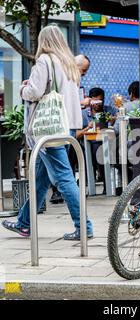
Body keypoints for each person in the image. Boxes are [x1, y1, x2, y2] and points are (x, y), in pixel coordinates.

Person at [1, 24, 93, 240]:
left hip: (49, 128)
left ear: (44, 41)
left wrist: (24, 88)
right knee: (42, 178)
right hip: (66, 125)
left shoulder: (45, 61)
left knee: (63, 177)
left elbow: (34, 92)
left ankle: (84, 227)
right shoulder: (70, 64)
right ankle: (24, 223)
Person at [49, 53, 91, 204]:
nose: (84, 74)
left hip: (67, 126)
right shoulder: (68, 76)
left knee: (63, 165)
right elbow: (67, 103)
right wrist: (83, 102)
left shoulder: (71, 77)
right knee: (64, 167)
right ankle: (71, 197)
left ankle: (28, 214)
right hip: (64, 126)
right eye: (83, 70)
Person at [76, 87, 118, 194]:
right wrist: (88, 127)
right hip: (89, 144)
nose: (98, 104)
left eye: (100, 101)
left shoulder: (109, 110)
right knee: (97, 150)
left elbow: (119, 119)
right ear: (90, 100)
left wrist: (113, 119)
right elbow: (76, 135)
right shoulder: (83, 114)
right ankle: (93, 184)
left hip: (108, 142)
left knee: (101, 150)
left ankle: (105, 185)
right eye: (95, 101)